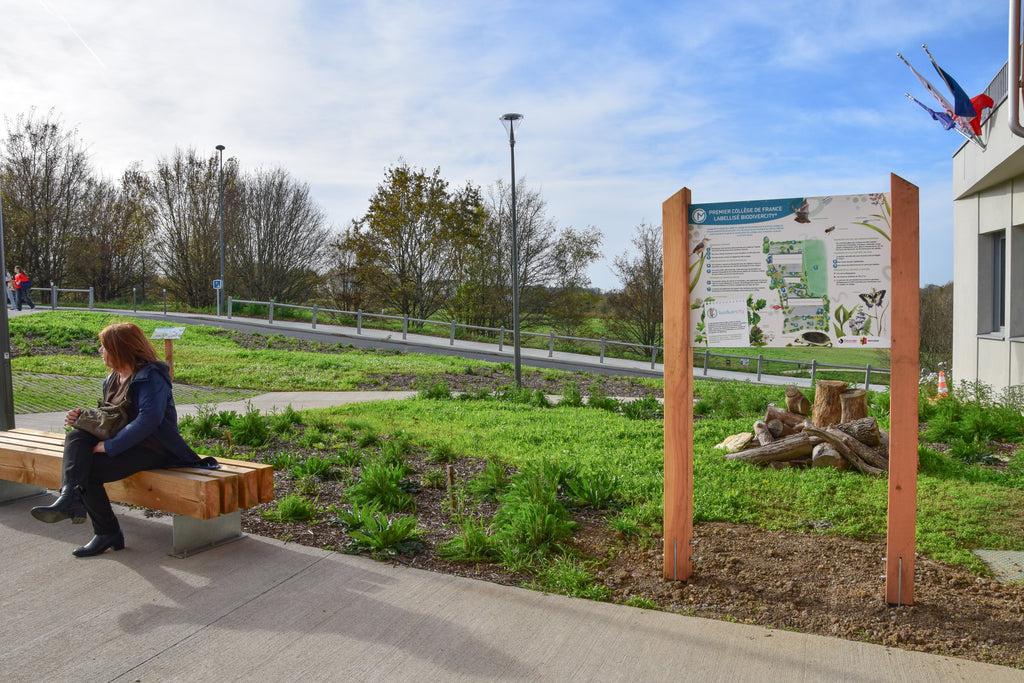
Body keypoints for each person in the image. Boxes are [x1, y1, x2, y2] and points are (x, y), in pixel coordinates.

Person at [30, 322, 218, 557]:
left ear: (120, 349)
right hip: (127, 443)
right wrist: (82, 418)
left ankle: (103, 529)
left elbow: (149, 421)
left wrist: (109, 447)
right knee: (77, 435)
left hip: (155, 447)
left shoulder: (152, 376)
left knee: (87, 470)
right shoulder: (111, 380)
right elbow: (112, 417)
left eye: (104, 347)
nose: (100, 352)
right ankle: (70, 497)